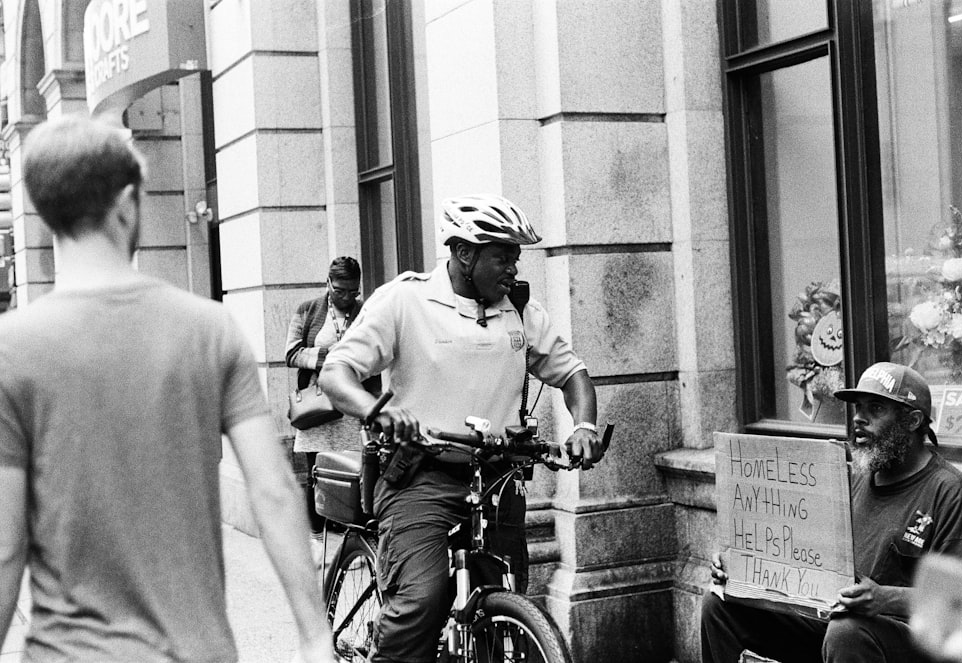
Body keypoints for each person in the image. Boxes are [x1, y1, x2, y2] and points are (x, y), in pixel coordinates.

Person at [0, 115, 334, 663]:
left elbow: (6, 546)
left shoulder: (12, 349)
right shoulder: (209, 329)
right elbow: (273, 492)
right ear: (128, 204)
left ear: (45, 214)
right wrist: (314, 636)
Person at [319, 194, 604, 662]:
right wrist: (377, 411)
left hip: (495, 477)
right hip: (420, 478)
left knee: (503, 605)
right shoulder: (406, 299)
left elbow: (572, 374)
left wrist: (585, 425)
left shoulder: (519, 310)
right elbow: (336, 373)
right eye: (502, 256)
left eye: (516, 257)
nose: (512, 268)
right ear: (464, 253)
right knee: (422, 600)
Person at [701, 361, 962, 663]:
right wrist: (738, 563)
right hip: (837, 625)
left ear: (913, 420)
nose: (859, 419)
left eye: (875, 409)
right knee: (719, 605)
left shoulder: (949, 490)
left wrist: (883, 598)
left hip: (912, 641)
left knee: (848, 632)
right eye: (857, 408)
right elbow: (799, 554)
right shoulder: (852, 477)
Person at [285, 255, 378, 565]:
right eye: (341, 290)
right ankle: (317, 541)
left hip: (353, 405)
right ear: (328, 284)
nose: (348, 297)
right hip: (319, 407)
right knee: (316, 474)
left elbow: (375, 352)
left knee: (357, 474)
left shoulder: (366, 311)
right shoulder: (308, 310)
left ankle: (353, 545)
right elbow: (292, 352)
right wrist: (332, 359)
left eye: (353, 291)